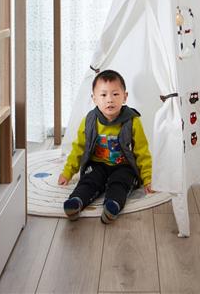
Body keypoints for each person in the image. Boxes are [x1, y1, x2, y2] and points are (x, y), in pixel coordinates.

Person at [57, 69, 153, 224]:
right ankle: (76, 201)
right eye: (103, 95)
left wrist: (148, 179)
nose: (109, 100)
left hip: (124, 166)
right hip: (98, 165)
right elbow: (78, 148)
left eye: (115, 94)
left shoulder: (132, 121)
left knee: (120, 183)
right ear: (94, 98)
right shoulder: (89, 120)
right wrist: (68, 172)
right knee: (89, 180)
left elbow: (142, 152)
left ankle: (112, 205)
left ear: (125, 97)